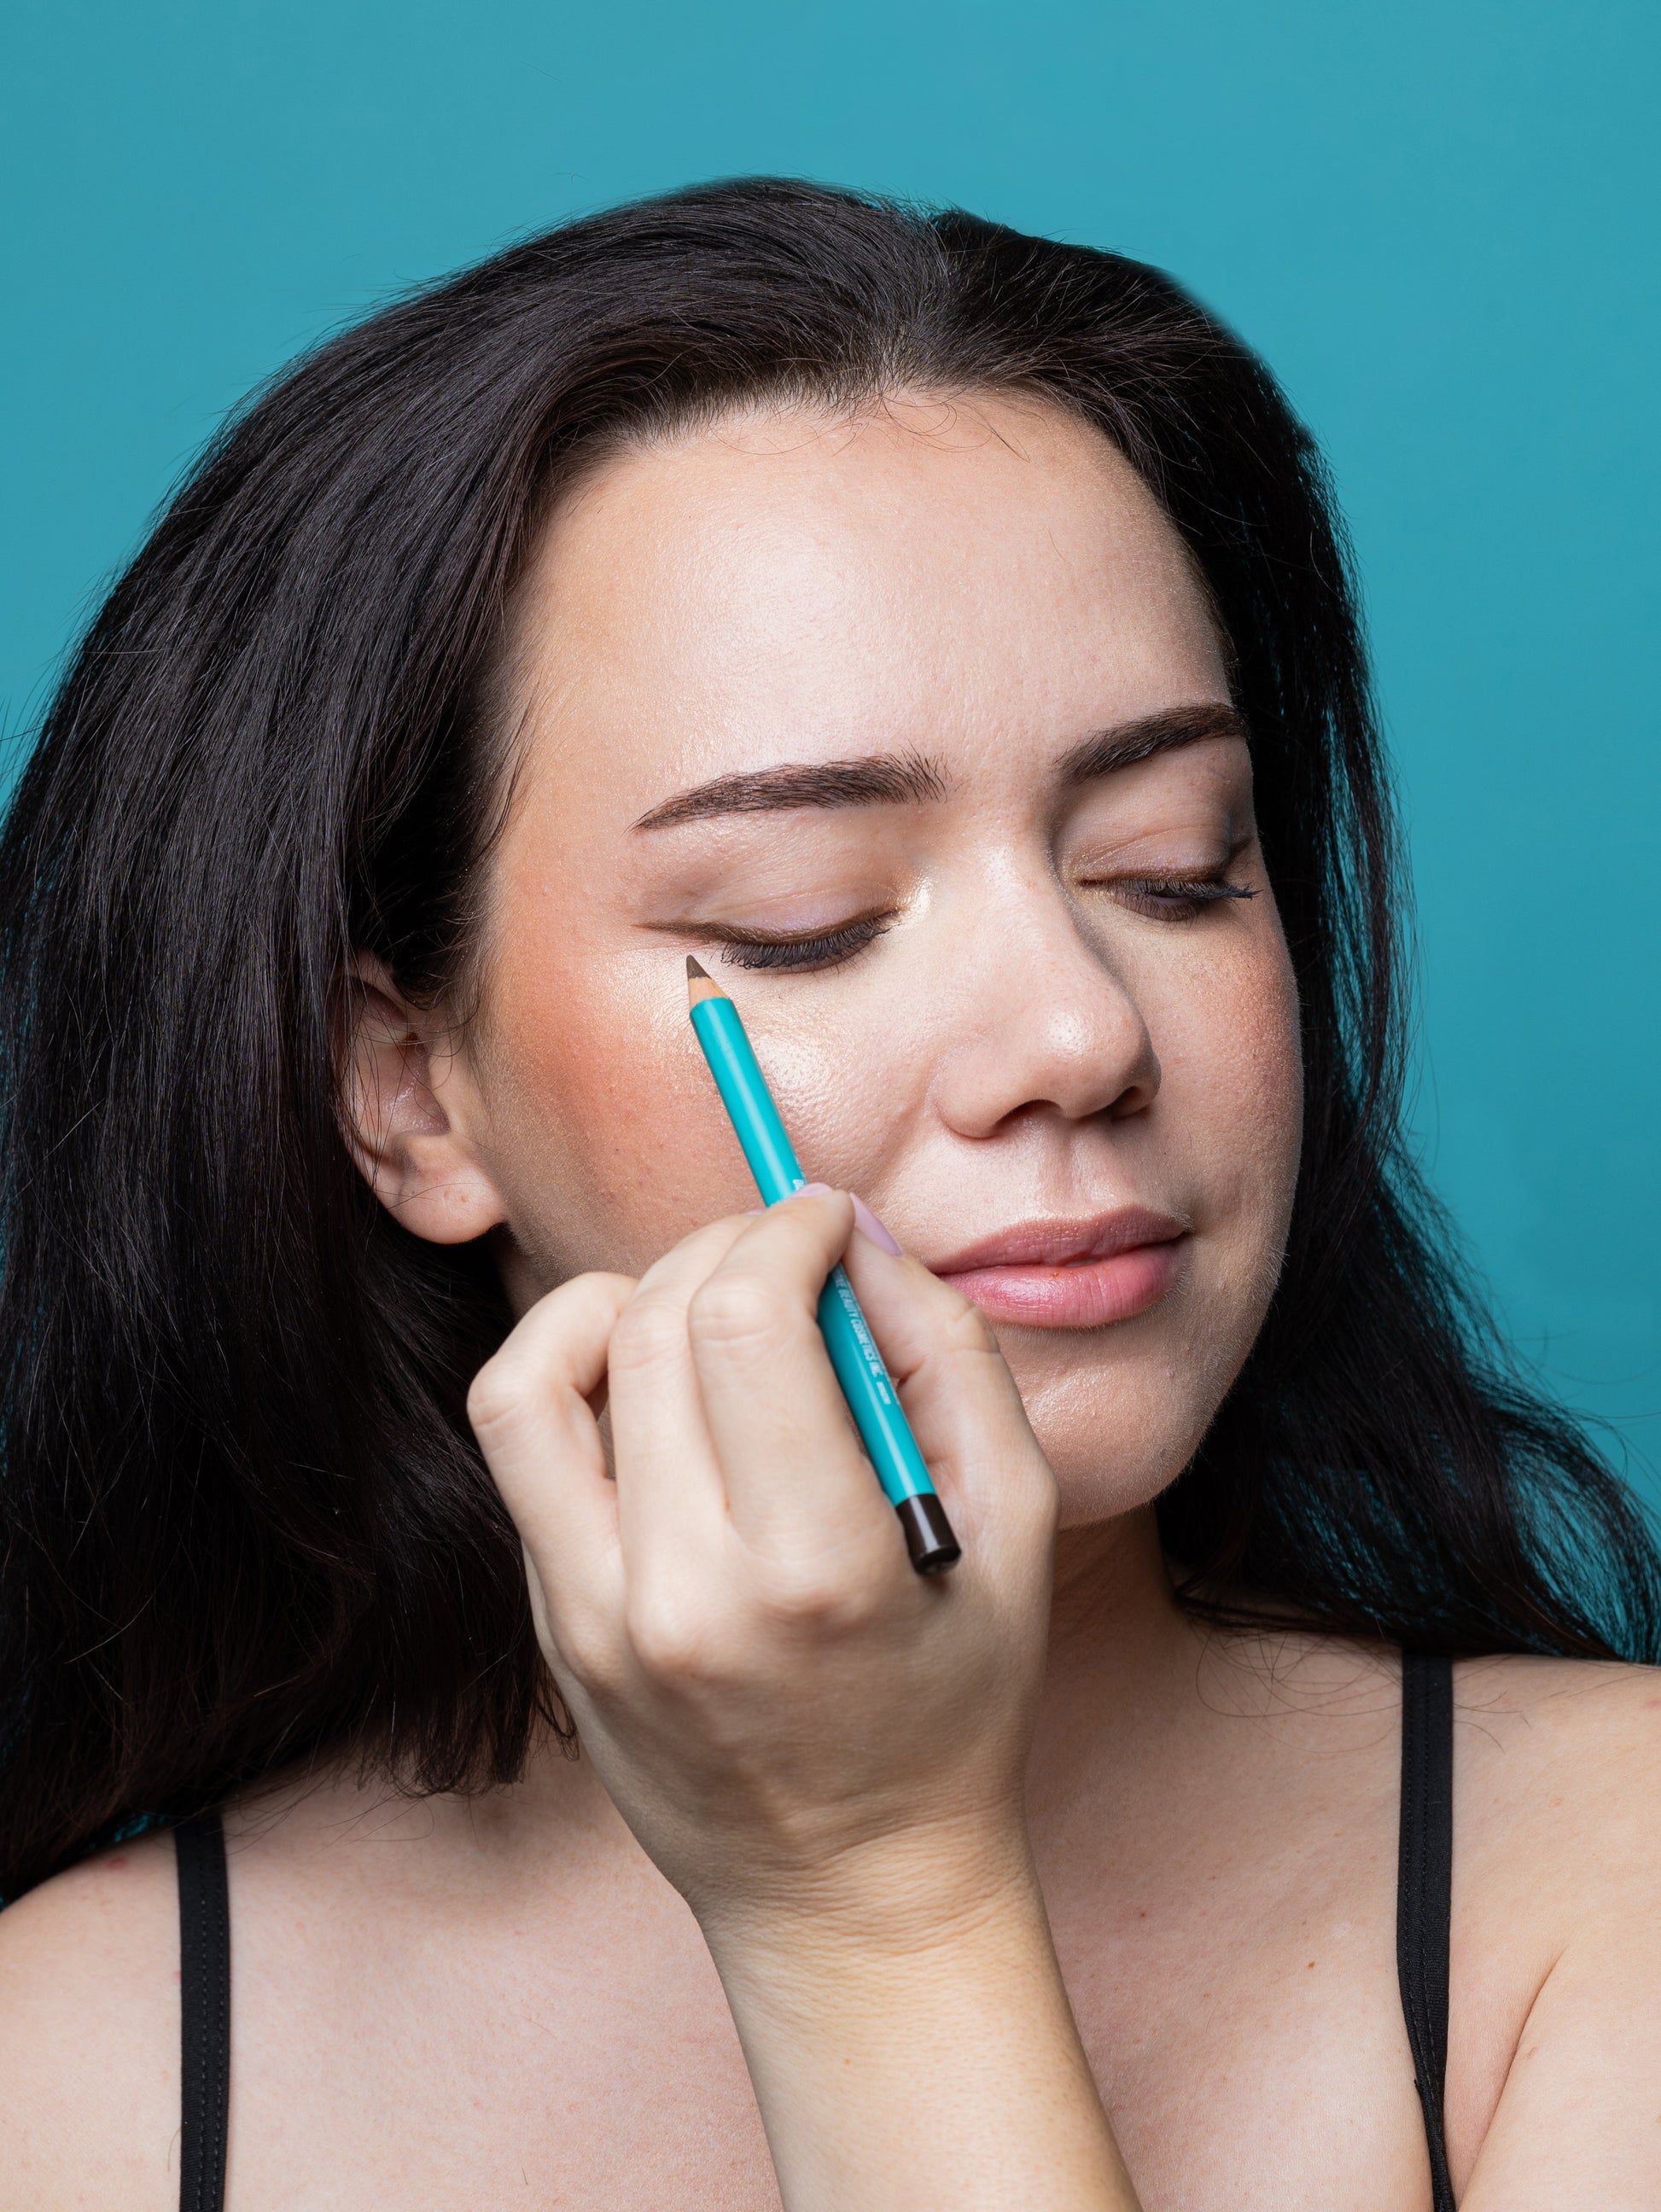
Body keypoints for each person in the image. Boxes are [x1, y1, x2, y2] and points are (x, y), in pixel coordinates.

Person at [0, 179, 1657, 2212]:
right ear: (410, 1090)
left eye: (1170, 869)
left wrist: (875, 1907)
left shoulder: (1611, 1882)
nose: (1077, 1033)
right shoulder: (66, 2081)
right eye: (809, 922)